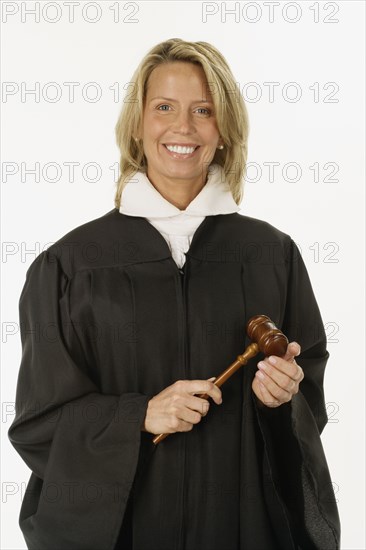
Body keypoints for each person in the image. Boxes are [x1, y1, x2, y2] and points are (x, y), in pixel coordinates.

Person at [8, 38, 340, 550]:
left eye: (203, 110)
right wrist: (137, 415)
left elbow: (308, 405)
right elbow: (39, 426)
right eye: (163, 106)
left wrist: (283, 399)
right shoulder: (71, 265)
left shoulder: (272, 255)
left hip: (243, 529)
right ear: (137, 125)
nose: (182, 127)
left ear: (225, 129)